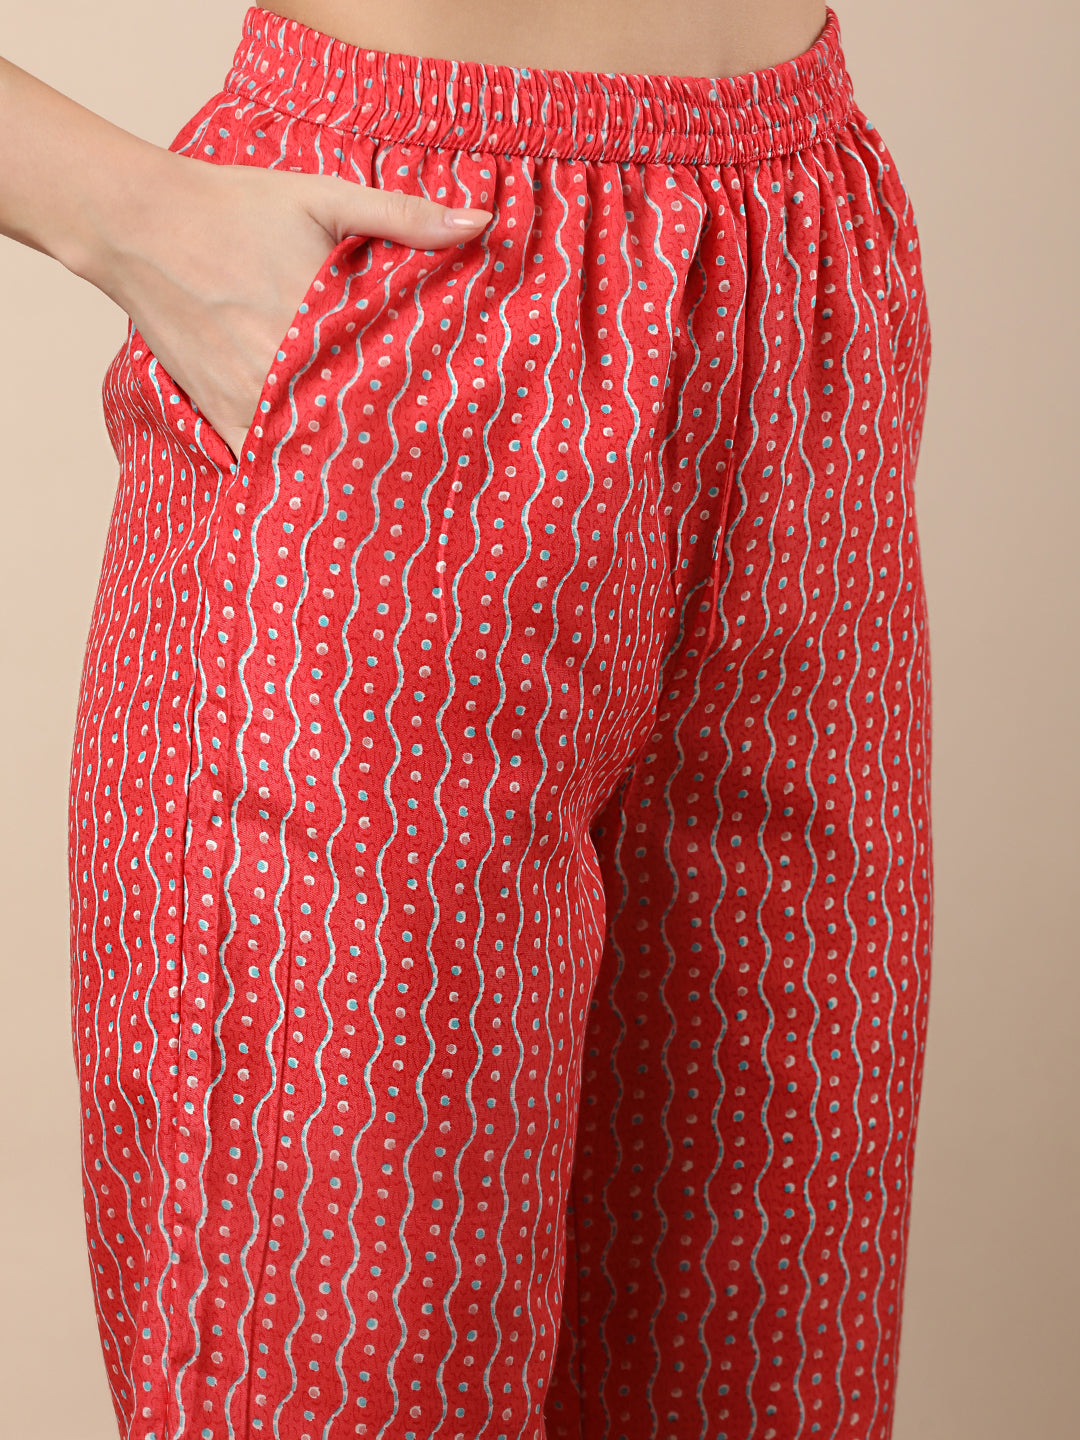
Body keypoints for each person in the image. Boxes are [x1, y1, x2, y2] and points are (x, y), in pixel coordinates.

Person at [1, 3, 934, 1437]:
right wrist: (127, 214)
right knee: (354, 1374)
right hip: (408, 311)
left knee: (771, 1370)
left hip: (798, 286)